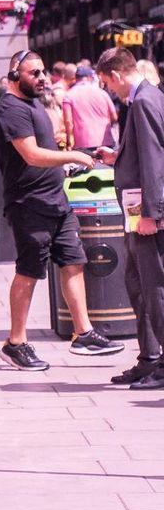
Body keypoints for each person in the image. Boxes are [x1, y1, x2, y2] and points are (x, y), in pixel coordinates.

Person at [0, 49, 124, 370]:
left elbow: (46, 150)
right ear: (14, 76)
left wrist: (65, 165)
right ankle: (16, 343)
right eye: (33, 73)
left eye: (42, 73)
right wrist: (72, 158)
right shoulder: (11, 108)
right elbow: (32, 155)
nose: (41, 78)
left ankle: (83, 333)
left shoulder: (33, 104)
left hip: (56, 200)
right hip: (30, 204)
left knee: (74, 262)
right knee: (29, 272)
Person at [94, 48, 164, 389]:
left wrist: (153, 213)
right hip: (135, 210)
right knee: (137, 285)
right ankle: (149, 357)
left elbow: (155, 159)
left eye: (107, 82)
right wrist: (116, 157)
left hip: (146, 214)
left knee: (155, 288)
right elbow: (141, 153)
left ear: (118, 74)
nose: (109, 89)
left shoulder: (145, 102)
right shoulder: (141, 101)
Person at [62, 63, 119, 150]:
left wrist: (69, 142)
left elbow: (68, 122)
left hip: (83, 143)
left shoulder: (69, 95)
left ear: (76, 78)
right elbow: (114, 117)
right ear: (90, 77)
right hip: (106, 142)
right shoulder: (102, 93)